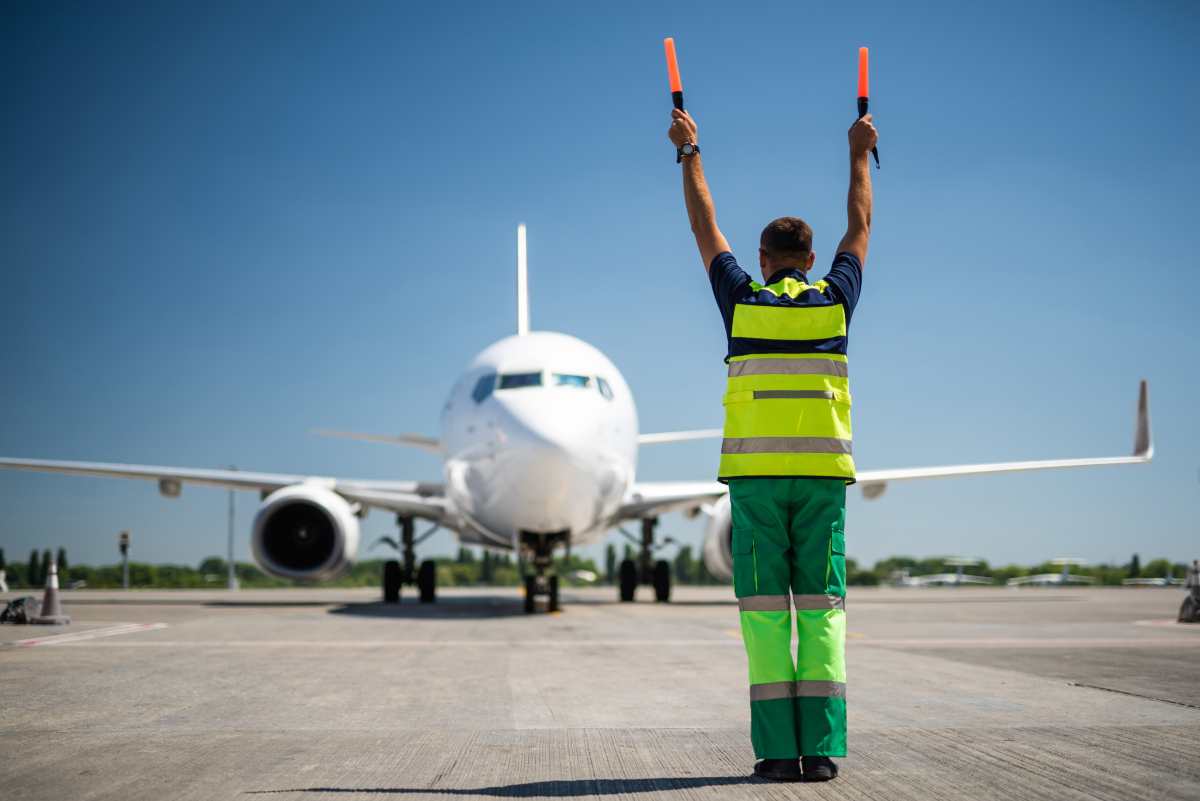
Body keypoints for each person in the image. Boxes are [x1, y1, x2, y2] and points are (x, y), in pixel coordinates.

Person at [668, 106, 877, 782]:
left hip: (756, 485)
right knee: (821, 614)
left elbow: (705, 227)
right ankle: (819, 753)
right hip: (822, 483)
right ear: (812, 261)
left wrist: (690, 149)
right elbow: (861, 226)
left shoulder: (742, 304)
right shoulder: (834, 305)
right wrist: (858, 153)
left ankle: (776, 753)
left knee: (764, 619)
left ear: (761, 260)